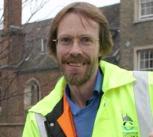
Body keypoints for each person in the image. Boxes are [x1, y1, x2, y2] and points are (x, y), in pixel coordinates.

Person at [22, 2, 153, 137]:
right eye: (66, 40)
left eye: (85, 40)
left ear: (101, 47)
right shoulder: (38, 119)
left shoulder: (146, 89)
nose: (75, 51)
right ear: (55, 47)